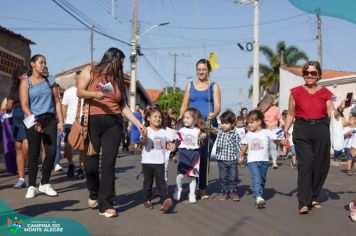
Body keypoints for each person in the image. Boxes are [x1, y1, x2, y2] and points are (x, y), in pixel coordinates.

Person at [77, 47, 145, 218]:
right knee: (90, 165)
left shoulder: (117, 79)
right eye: (121, 62)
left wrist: (138, 124)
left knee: (108, 164)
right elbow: (80, 91)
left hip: (114, 124)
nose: (122, 66)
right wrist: (94, 94)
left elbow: (123, 106)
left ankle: (106, 204)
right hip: (92, 122)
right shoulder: (90, 71)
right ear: (113, 59)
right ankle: (94, 192)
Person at [283, 60, 345, 214]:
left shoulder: (325, 93)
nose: (309, 76)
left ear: (318, 75)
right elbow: (291, 113)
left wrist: (341, 108)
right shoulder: (295, 92)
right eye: (306, 73)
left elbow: (332, 113)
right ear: (303, 74)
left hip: (321, 129)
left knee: (322, 165)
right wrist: (285, 131)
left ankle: (313, 196)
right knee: (306, 165)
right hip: (302, 129)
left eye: (313, 73)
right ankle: (303, 202)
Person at [20, 54, 64, 199]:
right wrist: (34, 122)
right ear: (32, 64)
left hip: (50, 119)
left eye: (45, 63)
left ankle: (44, 183)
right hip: (33, 119)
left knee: (51, 152)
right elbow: (24, 105)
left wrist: (61, 121)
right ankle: (32, 185)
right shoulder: (26, 82)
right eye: (41, 62)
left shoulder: (50, 80)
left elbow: (57, 101)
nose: (43, 65)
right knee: (34, 153)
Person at [180, 59, 221, 199]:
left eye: (204, 69)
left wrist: (214, 114)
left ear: (208, 70)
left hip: (208, 126)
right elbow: (184, 104)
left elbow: (217, 106)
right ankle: (192, 184)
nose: (201, 72)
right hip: (192, 126)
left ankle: (202, 187)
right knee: (193, 155)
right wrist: (181, 119)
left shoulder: (214, 86)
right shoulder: (190, 85)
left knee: (204, 158)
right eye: (199, 69)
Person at [238, 110, 278, 209]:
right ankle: (258, 196)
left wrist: (282, 141)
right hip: (252, 161)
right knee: (256, 178)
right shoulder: (248, 135)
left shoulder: (267, 132)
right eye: (248, 123)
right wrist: (241, 155)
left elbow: (275, 140)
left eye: (251, 122)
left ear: (259, 122)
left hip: (264, 161)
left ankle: (259, 193)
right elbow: (244, 146)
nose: (249, 125)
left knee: (262, 179)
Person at [140, 108, 174, 211]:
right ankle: (147, 199)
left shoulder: (164, 132)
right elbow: (143, 143)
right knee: (148, 183)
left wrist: (171, 147)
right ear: (148, 118)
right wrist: (144, 136)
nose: (158, 119)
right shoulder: (146, 130)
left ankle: (164, 201)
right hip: (147, 162)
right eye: (155, 116)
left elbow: (167, 146)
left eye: (159, 117)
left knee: (161, 183)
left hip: (160, 162)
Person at [173, 108, 207, 204]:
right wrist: (173, 153)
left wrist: (203, 138)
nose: (185, 119)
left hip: (195, 156)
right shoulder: (181, 130)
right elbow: (176, 142)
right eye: (184, 117)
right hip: (183, 154)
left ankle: (192, 194)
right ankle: (178, 189)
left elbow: (202, 143)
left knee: (193, 176)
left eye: (188, 118)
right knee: (180, 175)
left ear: (194, 119)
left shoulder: (198, 131)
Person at [5, 67, 29, 188]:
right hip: (16, 117)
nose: (27, 75)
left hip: (27, 116)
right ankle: (21, 179)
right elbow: (8, 105)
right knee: (18, 147)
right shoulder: (14, 89)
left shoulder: (30, 86)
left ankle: (28, 164)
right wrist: (7, 107)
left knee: (27, 146)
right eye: (25, 74)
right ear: (19, 76)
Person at [61, 71, 85, 179]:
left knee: (81, 148)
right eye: (79, 78)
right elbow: (64, 107)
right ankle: (71, 163)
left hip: (83, 123)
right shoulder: (69, 91)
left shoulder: (87, 92)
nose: (81, 80)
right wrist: (62, 121)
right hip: (69, 123)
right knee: (67, 146)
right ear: (75, 78)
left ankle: (81, 168)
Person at [215, 111, 241, 201]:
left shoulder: (235, 134)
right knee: (223, 177)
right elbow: (211, 129)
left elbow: (238, 145)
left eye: (226, 123)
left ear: (232, 123)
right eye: (222, 123)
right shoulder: (220, 132)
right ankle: (225, 192)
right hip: (221, 160)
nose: (223, 125)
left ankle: (233, 191)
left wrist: (241, 156)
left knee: (233, 177)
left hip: (232, 159)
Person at [259, 94, 281, 169]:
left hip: (274, 129)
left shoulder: (276, 109)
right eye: (273, 99)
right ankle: (264, 161)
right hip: (264, 129)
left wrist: (285, 127)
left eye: (274, 99)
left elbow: (279, 118)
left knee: (273, 147)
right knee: (265, 146)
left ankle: (274, 163)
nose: (274, 100)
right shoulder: (262, 109)